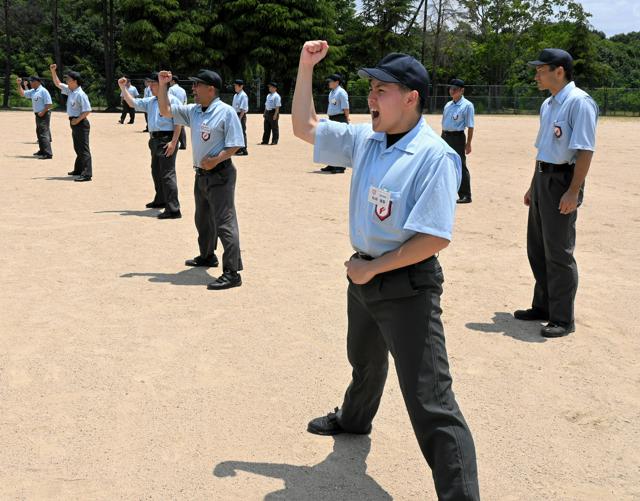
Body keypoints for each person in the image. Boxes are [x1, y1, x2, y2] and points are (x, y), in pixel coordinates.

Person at [291, 40, 480, 500]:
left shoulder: (435, 156)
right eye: (370, 89)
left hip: (405, 284)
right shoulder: (369, 139)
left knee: (430, 402)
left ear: (411, 97)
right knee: (365, 358)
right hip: (364, 275)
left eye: (381, 90)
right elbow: (305, 127)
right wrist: (305, 67)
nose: (370, 99)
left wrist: (373, 271)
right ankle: (355, 420)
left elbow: (434, 238)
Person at [514, 48, 598, 338]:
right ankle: (543, 305)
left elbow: (585, 150)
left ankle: (563, 318)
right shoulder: (549, 104)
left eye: (541, 69)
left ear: (559, 71)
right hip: (542, 179)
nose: (536, 74)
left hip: (563, 180)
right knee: (537, 247)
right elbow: (544, 149)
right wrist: (531, 184)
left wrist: (573, 191)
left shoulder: (579, 103)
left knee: (559, 251)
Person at [157, 69, 245, 290]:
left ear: (211, 89)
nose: (193, 89)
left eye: (197, 85)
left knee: (225, 223)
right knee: (203, 219)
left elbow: (236, 144)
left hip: (220, 174)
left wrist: (216, 160)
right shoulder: (194, 111)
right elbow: (165, 110)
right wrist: (162, 85)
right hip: (201, 174)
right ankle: (207, 256)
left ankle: (232, 272)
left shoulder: (225, 112)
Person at [119, 72, 183, 219]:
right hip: (154, 140)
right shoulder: (151, 101)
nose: (150, 86)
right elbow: (132, 103)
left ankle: (173, 209)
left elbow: (179, 122)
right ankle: (160, 200)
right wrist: (123, 88)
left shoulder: (173, 100)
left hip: (166, 139)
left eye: (153, 84)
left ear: (162, 84)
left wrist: (173, 142)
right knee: (156, 171)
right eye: (150, 84)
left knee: (167, 174)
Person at [49, 63, 93, 182]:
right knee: (77, 147)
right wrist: (53, 71)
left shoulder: (80, 94)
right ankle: (78, 170)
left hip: (80, 123)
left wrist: (77, 120)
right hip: (74, 122)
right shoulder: (70, 91)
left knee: (83, 149)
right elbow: (57, 83)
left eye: (68, 79)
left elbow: (87, 110)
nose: (66, 80)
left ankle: (87, 173)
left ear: (74, 81)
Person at [441, 78, 475, 203]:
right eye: (451, 89)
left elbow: (470, 125)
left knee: (460, 165)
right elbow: (445, 123)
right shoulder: (448, 105)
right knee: (444, 164)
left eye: (455, 89)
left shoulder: (467, 106)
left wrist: (468, 144)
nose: (452, 91)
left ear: (462, 90)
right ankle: (446, 192)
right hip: (445, 137)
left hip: (457, 138)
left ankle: (466, 195)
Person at [16, 75, 53, 159]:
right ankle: (42, 150)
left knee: (43, 133)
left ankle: (48, 153)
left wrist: (42, 112)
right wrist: (19, 84)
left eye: (31, 81)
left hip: (44, 114)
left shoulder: (43, 91)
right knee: (39, 133)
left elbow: (49, 104)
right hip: (38, 114)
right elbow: (22, 94)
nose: (30, 83)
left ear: (37, 82)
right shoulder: (33, 91)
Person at [321, 73, 350, 174]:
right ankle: (332, 164)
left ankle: (340, 167)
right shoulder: (332, 92)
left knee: (340, 143)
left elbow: (345, 107)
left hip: (340, 118)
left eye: (331, 81)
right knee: (331, 142)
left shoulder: (341, 92)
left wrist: (347, 119)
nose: (329, 83)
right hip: (332, 118)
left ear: (337, 82)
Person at [169, 75, 188, 150]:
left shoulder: (171, 89)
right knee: (181, 126)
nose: (169, 83)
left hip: (174, 109)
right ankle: (183, 144)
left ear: (173, 81)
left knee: (174, 127)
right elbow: (185, 100)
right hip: (182, 108)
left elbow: (169, 99)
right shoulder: (182, 90)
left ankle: (174, 143)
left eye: (170, 81)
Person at [232, 79, 249, 156]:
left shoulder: (243, 95)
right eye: (234, 86)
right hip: (235, 114)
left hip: (240, 115)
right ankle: (238, 148)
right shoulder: (235, 95)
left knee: (242, 131)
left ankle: (244, 149)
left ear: (241, 86)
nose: (235, 87)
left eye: (236, 86)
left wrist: (239, 118)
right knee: (236, 133)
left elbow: (243, 109)